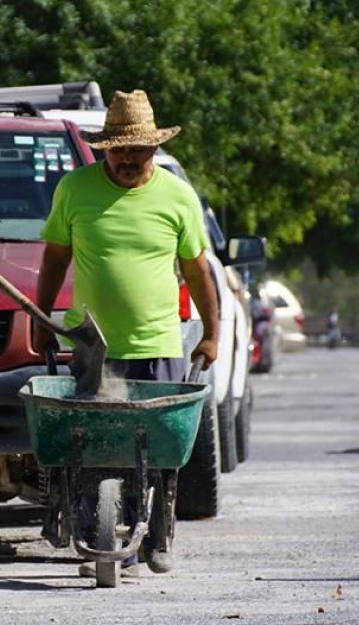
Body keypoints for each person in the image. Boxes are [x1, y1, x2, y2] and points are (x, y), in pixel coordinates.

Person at [33, 90, 220, 577]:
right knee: (90, 446)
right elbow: (55, 257)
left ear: (153, 150)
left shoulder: (178, 197)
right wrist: (42, 317)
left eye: (139, 150)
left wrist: (211, 332)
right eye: (120, 150)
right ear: (105, 149)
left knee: (159, 450)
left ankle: (157, 535)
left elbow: (198, 271)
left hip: (158, 343)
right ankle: (99, 536)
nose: (129, 159)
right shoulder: (75, 189)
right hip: (93, 345)